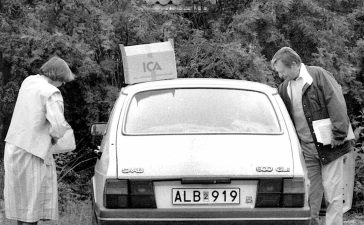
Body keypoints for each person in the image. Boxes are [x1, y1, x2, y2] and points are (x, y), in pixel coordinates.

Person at [271, 47, 353, 225]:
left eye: (282, 71)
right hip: (307, 149)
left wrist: (339, 136)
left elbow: (336, 103)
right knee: (310, 196)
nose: (280, 75)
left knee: (333, 195)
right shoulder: (284, 88)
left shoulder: (318, 75)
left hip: (331, 146)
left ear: (293, 64)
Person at [3, 56, 75, 225]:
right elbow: (58, 126)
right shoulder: (51, 93)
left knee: (22, 202)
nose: (63, 84)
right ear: (58, 76)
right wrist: (56, 140)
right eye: (63, 81)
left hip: (14, 146)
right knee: (33, 204)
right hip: (32, 151)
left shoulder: (28, 82)